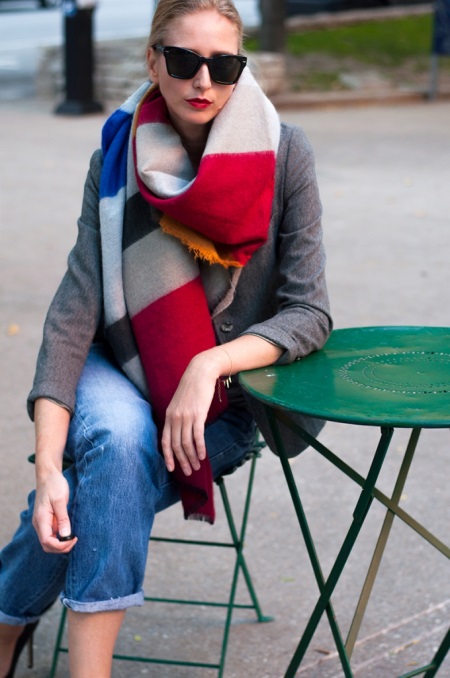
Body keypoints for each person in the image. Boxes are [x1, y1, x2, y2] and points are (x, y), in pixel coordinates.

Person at [0, 0, 332, 675]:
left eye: (224, 65)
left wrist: (208, 365)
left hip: (223, 401)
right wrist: (46, 467)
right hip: (120, 366)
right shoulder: (116, 156)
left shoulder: (283, 153)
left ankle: (5, 624)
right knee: (117, 440)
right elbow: (73, 312)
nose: (203, 81)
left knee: (110, 464)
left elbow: (308, 312)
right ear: (153, 62)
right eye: (183, 60)